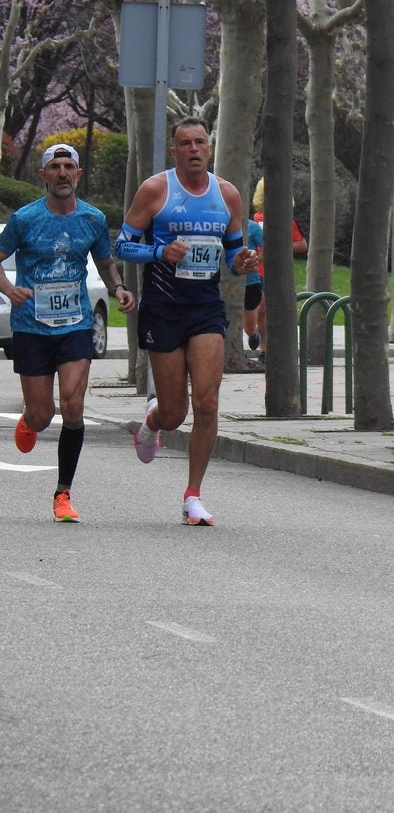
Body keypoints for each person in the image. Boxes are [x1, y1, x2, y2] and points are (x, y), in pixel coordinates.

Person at [114, 117, 259, 526]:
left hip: (205, 310)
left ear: (209, 149)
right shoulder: (156, 190)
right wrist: (160, 253)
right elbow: (123, 244)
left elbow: (233, 253)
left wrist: (242, 261)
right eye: (185, 143)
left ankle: (192, 495)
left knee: (208, 402)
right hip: (162, 308)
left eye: (200, 142)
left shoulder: (226, 194)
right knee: (175, 413)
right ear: (174, 151)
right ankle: (154, 419)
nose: (193, 149)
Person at [0, 143, 136, 522]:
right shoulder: (25, 219)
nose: (62, 173)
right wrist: (10, 290)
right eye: (55, 167)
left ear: (78, 174)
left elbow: (106, 262)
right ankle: (31, 419)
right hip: (31, 326)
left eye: (69, 166)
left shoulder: (91, 220)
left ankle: (63, 493)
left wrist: (119, 288)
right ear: (42, 176)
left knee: (73, 404)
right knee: (44, 415)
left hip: (75, 325)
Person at [243, 217, 265, 355]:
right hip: (224, 282)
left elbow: (267, 246)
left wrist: (256, 259)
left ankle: (253, 333)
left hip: (250, 281)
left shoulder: (253, 227)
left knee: (249, 328)